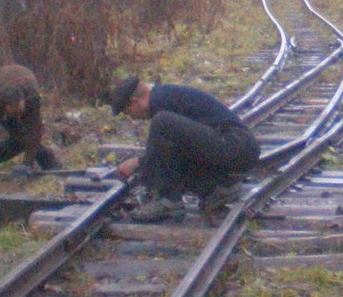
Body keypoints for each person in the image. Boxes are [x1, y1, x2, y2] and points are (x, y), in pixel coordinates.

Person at [108, 76, 260, 217]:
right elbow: (173, 152)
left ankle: (170, 201)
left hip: (233, 144)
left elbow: (163, 155)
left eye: (127, 112)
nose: (130, 117)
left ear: (134, 101)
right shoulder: (164, 96)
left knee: (162, 121)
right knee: (169, 144)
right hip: (234, 147)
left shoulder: (161, 101)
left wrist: (137, 163)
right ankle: (217, 188)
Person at [0, 64, 58, 179]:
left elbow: (35, 131)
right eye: (14, 113)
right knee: (20, 138)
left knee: (24, 138)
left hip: (24, 82)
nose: (18, 116)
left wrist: (27, 164)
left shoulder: (32, 96)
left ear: (22, 102)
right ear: (2, 108)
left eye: (19, 111)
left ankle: (51, 165)